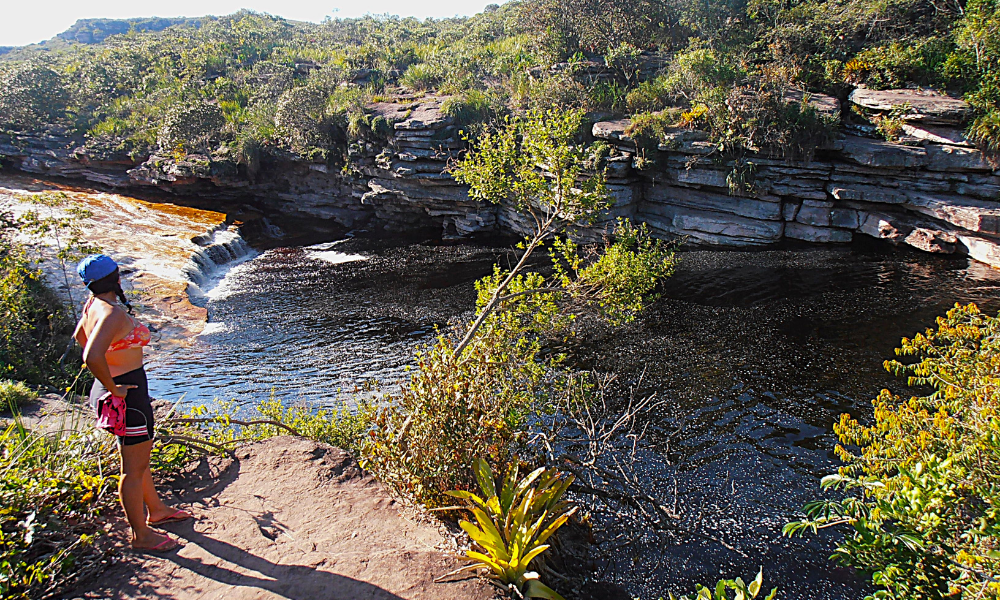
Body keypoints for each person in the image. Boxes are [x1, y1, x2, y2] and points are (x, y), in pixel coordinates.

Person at [74, 254, 190, 552]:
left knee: (136, 460)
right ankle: (140, 535)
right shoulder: (112, 313)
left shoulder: (93, 305)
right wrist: (115, 388)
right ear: (116, 278)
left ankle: (157, 510)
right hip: (127, 394)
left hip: (109, 389)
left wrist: (108, 379)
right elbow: (90, 356)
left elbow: (79, 336)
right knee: (132, 469)